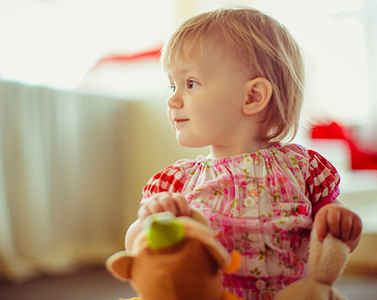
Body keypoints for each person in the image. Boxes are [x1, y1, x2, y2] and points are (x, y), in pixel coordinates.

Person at [125, 7, 362, 299]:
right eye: (172, 85)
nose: (172, 99)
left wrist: (341, 223)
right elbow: (134, 249)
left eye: (190, 83)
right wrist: (151, 222)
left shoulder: (303, 168)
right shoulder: (178, 182)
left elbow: (335, 244)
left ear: (252, 97)